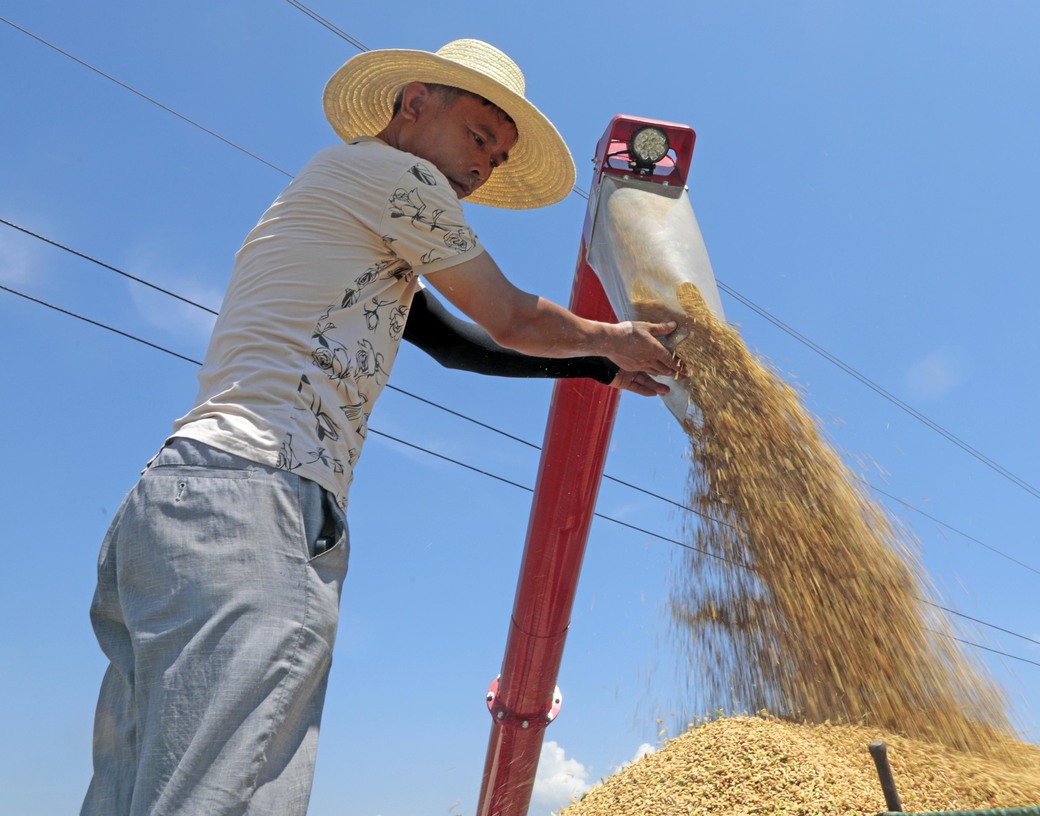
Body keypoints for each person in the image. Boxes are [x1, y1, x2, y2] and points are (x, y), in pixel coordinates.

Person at [82, 39, 681, 816]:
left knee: (138, 793)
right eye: (478, 136)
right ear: (413, 105)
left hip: (175, 507)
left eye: (498, 157)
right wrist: (612, 338)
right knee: (226, 795)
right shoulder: (400, 178)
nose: (483, 167)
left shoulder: (344, 204)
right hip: (258, 499)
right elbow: (507, 314)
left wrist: (596, 369)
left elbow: (454, 344)